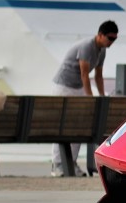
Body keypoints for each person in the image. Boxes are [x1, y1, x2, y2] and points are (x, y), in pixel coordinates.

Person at [51, 20, 118, 176]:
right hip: (64, 86)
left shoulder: (102, 50)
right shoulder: (87, 46)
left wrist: (101, 97)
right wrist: (90, 99)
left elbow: (99, 76)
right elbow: (84, 74)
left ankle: (71, 163)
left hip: (78, 87)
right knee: (63, 126)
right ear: (100, 35)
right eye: (110, 38)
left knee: (78, 126)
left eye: (114, 39)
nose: (111, 42)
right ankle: (58, 165)